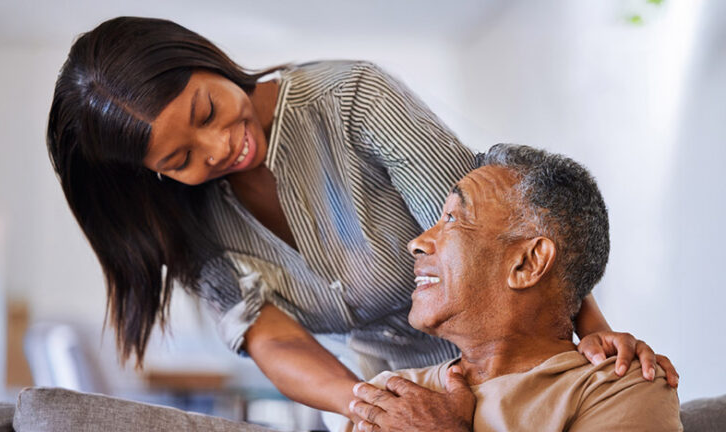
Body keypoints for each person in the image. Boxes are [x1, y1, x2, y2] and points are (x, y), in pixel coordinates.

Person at [46, 16, 677, 421]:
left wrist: (595, 336)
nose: (218, 149)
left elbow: (497, 229)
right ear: (153, 173)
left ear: (205, 59)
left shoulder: (351, 99)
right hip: (390, 391)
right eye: (180, 158)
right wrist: (376, 407)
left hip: (514, 366)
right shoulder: (188, 222)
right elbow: (275, 339)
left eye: (208, 110)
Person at [348, 144, 683, 431]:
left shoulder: (621, 387)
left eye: (452, 218)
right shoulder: (387, 398)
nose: (417, 243)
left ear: (528, 263)